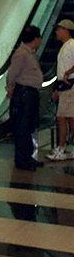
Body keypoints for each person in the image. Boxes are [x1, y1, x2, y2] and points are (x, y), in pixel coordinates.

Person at [6, 25, 44, 171]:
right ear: (35, 39)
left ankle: (28, 158)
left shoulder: (29, 53)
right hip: (24, 94)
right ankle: (22, 160)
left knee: (28, 127)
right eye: (39, 37)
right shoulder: (21, 54)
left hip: (30, 94)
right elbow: (12, 75)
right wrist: (10, 89)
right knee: (22, 127)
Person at [47, 18, 74, 160]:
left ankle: (62, 148)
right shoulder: (65, 46)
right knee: (69, 118)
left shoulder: (71, 45)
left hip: (70, 85)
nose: (56, 32)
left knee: (62, 117)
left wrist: (68, 73)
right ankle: (65, 148)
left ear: (65, 30)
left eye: (59, 29)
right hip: (65, 86)